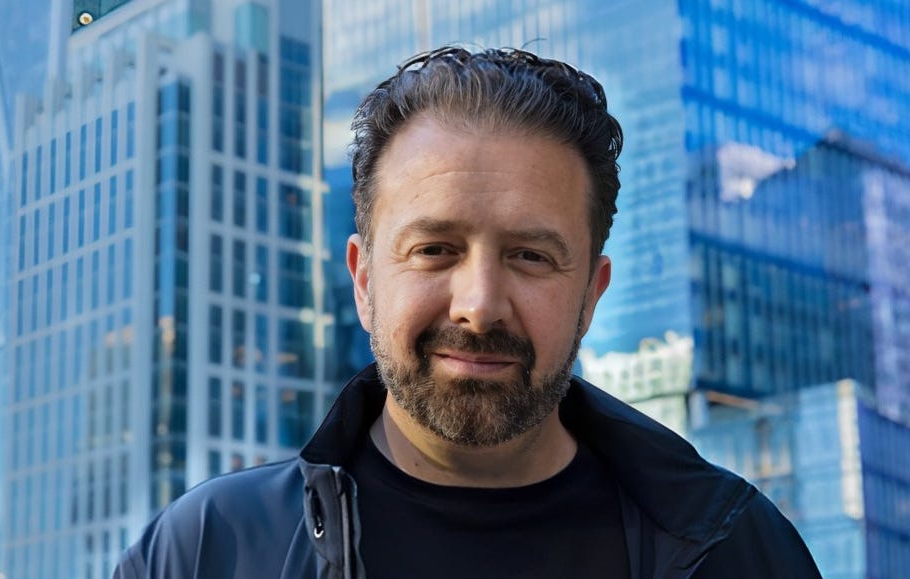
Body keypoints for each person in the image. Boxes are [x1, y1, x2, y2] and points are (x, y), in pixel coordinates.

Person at [114, 46, 821, 579]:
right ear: (363, 281)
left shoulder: (737, 550)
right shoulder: (209, 549)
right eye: (434, 249)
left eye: (531, 256)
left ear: (591, 296)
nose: (479, 305)